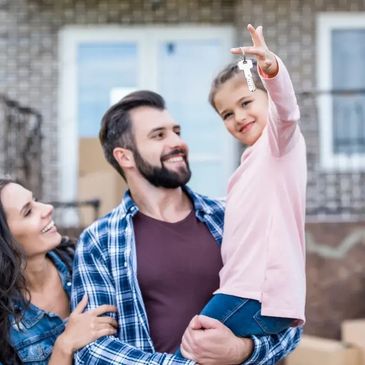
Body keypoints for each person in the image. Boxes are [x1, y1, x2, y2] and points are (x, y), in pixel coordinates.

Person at [71, 89, 302, 363]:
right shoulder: (100, 240)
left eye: (176, 131)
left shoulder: (230, 216)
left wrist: (242, 351)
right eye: (159, 135)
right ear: (125, 157)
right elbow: (92, 348)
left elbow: (286, 312)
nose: (178, 142)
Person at [177, 24, 306, 358]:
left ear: (266, 98)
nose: (239, 117)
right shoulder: (249, 165)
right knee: (199, 350)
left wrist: (270, 70)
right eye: (227, 114)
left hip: (256, 293)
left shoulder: (279, 145)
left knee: (191, 351)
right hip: (244, 290)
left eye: (247, 101)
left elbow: (287, 112)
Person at [0, 178, 118, 365]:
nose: (47, 208)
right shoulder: (5, 322)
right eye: (28, 212)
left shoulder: (87, 259)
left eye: (36, 200)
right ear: (4, 241)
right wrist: (64, 346)